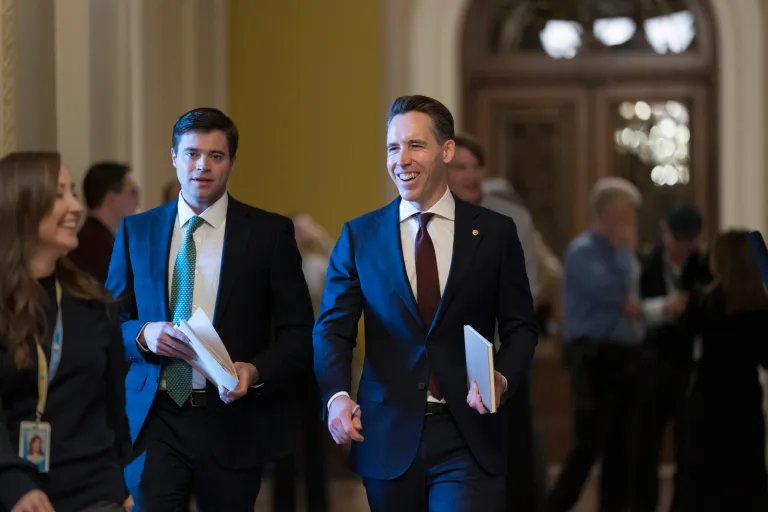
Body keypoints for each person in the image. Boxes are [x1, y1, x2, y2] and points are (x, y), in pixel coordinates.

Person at [313, 95, 538, 511]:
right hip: (387, 433)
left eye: (416, 145)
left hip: (469, 433)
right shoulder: (360, 236)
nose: (402, 159)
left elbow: (521, 326)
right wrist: (336, 397)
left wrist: (502, 379)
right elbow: (332, 328)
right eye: (393, 148)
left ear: (446, 150)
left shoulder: (494, 233)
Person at [106, 108, 315, 511]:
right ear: (174, 157)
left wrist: (254, 371)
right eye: (192, 154)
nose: (202, 165)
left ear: (231, 162)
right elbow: (106, 322)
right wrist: (143, 334)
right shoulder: (138, 230)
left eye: (216, 156)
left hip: (233, 419)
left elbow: (299, 333)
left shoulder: (269, 234)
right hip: (155, 416)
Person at [0, 152, 132, 512]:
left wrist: (126, 483)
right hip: (17, 494)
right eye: (59, 194)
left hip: (97, 493)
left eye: (72, 192)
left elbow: (115, 410)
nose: (75, 206)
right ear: (22, 206)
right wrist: (12, 484)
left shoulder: (94, 301)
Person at [446, 134, 547, 511]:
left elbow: (529, 293)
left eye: (477, 168)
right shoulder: (432, 218)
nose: (473, 176)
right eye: (462, 168)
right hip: (447, 361)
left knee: (515, 459)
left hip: (502, 355)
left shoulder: (511, 219)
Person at [549, 177, 646, 511]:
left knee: (623, 448)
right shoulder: (582, 252)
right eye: (628, 214)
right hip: (593, 360)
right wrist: (623, 252)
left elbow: (634, 296)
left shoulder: (626, 253)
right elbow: (614, 295)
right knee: (589, 445)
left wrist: (625, 256)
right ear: (610, 213)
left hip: (626, 358)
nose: (632, 222)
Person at [674, 230, 768, 511]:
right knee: (744, 481)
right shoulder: (760, 309)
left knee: (700, 483)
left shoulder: (704, 302)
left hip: (706, 402)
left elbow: (680, 347)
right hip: (744, 403)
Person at [634, 203, 712, 511]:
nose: (680, 247)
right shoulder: (646, 265)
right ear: (666, 234)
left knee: (689, 447)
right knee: (645, 447)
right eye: (676, 239)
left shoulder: (705, 269)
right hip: (651, 367)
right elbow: (632, 311)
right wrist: (663, 309)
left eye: (687, 241)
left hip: (689, 369)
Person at [69, 162, 139, 283]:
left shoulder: (99, 240)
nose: (137, 201)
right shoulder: (93, 249)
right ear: (111, 198)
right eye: (133, 192)